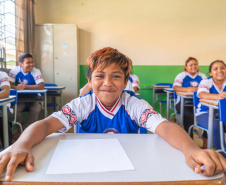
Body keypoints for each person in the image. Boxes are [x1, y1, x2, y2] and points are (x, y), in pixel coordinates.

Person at [0, 48, 225, 181]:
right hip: (87, 170)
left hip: (131, 170)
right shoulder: (83, 104)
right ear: (89, 81)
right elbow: (46, 125)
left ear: (126, 81)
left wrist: (191, 149)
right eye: (100, 76)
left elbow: (165, 127)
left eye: (116, 76)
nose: (108, 83)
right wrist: (22, 145)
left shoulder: (133, 103)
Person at [8, 53, 45, 130]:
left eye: (32, 62)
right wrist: (16, 87)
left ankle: (24, 131)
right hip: (20, 99)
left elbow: (41, 86)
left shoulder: (36, 70)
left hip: (34, 98)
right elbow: (9, 85)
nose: (31, 64)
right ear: (21, 64)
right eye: (28, 62)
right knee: (15, 110)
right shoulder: (15, 70)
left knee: (35, 109)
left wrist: (25, 86)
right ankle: (23, 130)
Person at [196, 60, 226, 150]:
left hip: (222, 113)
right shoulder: (206, 82)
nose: (220, 71)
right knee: (215, 127)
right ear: (211, 73)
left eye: (222, 68)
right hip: (204, 113)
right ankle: (222, 154)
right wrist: (218, 96)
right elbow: (202, 94)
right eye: (215, 69)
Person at [173, 57, 207, 137]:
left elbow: (207, 88)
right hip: (183, 103)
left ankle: (205, 139)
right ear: (186, 67)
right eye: (190, 65)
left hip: (200, 103)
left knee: (210, 115)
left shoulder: (202, 76)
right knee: (189, 115)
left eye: (195, 64)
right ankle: (189, 137)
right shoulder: (182, 75)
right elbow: (176, 88)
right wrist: (188, 89)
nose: (193, 66)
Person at [0, 71, 13, 148]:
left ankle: (8, 150)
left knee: (2, 120)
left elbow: (6, 92)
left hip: (4, 109)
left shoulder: (2, 75)